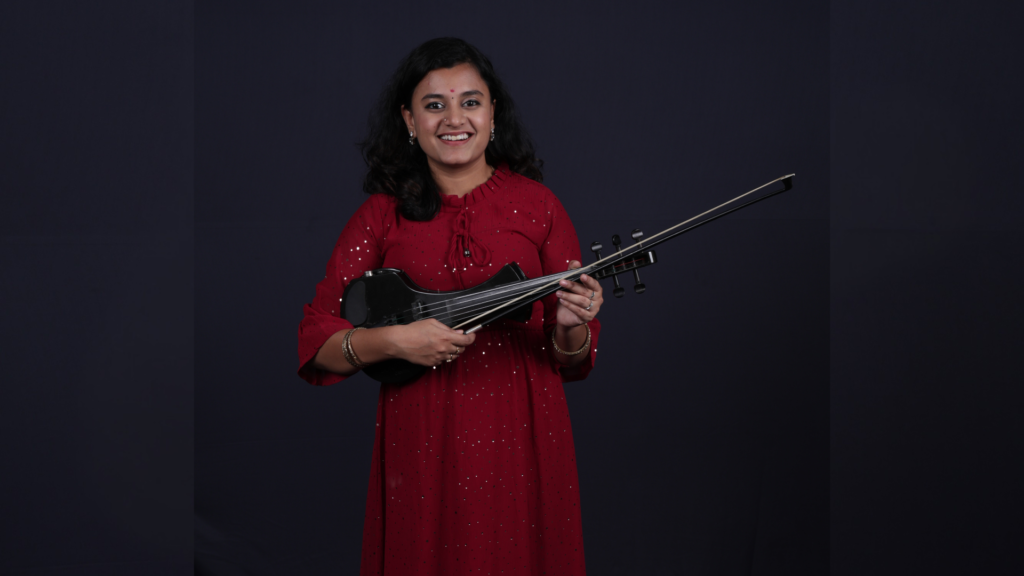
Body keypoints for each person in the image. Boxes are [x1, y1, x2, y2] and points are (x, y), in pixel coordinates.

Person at [297, 37, 602, 576]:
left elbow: (571, 357)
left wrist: (572, 326)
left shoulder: (539, 206)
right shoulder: (380, 216)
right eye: (434, 104)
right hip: (423, 443)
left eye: (470, 101)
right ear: (409, 121)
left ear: (492, 114)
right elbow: (317, 343)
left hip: (524, 437)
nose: (453, 118)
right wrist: (395, 342)